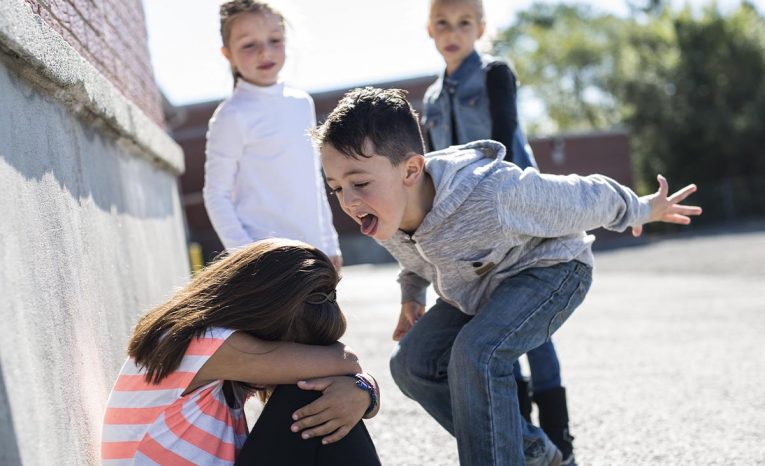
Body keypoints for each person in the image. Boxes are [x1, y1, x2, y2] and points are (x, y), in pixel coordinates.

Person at [313, 87, 701, 466]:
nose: (348, 200)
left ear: (411, 170)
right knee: (411, 363)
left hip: (552, 271)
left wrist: (642, 208)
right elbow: (413, 260)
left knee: (477, 353)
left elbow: (583, 196)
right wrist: (411, 294)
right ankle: (528, 449)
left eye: (360, 182)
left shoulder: (493, 194)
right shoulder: (387, 213)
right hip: (478, 287)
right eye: (336, 188)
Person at [422, 0, 573, 461]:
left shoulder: (494, 74)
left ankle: (560, 442)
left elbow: (505, 136)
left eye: (464, 23)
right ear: (430, 30)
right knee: (492, 325)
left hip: (515, 212)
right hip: (466, 229)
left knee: (533, 330)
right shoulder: (429, 99)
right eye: (443, 24)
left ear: (481, 28)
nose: (453, 32)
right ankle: (526, 441)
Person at [100, 238, 382, 466]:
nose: (294, 355)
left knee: (326, 396)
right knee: (310, 390)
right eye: (294, 346)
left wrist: (361, 390)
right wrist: (361, 386)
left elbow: (346, 370)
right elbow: (347, 362)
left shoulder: (211, 347)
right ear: (267, 315)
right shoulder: (204, 342)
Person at [203, 0, 342, 269]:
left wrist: (329, 242)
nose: (264, 52)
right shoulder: (231, 115)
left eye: (274, 40)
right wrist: (246, 256)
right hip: (267, 262)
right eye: (248, 45)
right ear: (227, 54)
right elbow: (216, 194)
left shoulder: (301, 103)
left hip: (314, 253)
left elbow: (313, 180)